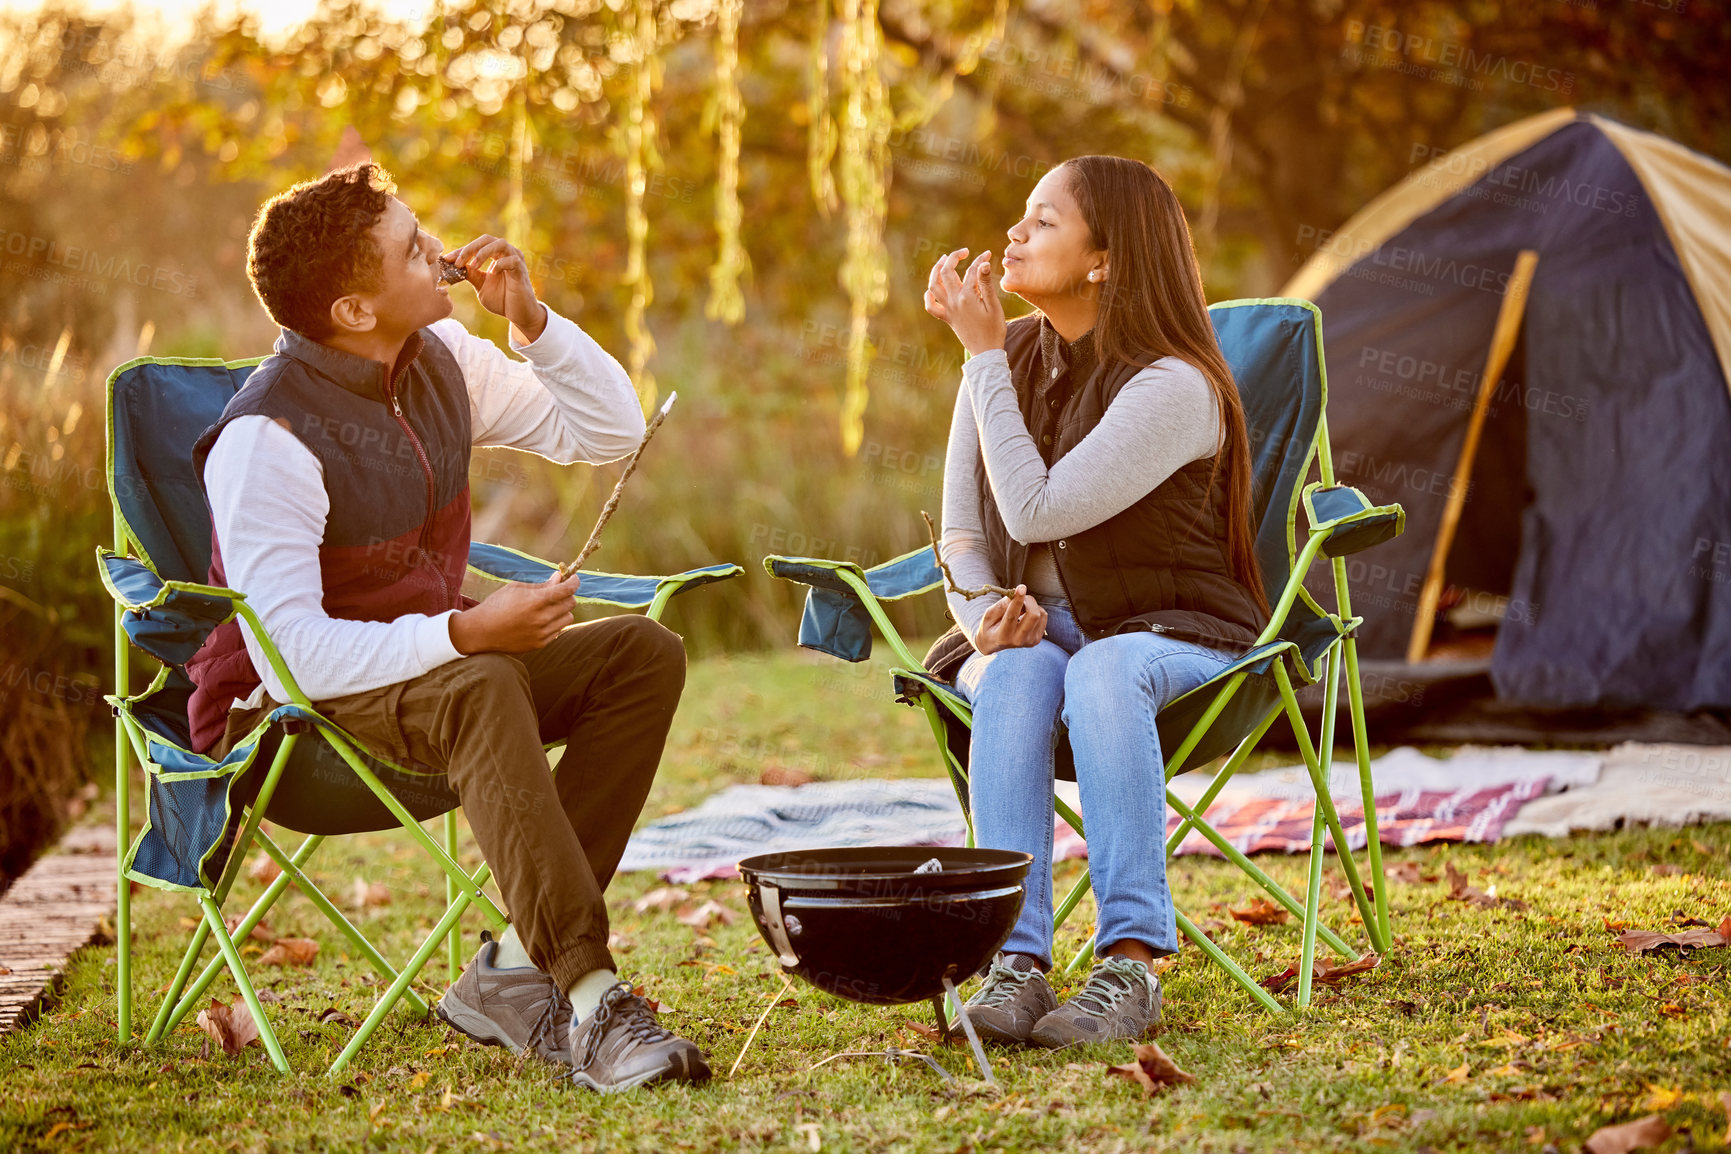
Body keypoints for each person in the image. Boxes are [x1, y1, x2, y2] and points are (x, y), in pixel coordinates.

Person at [186, 162, 709, 1092]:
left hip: (441, 681)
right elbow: (294, 655)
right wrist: (468, 636)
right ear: (353, 309)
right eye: (409, 248)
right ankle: (590, 1001)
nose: (441, 252)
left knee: (639, 652)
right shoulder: (264, 439)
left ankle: (510, 969)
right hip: (296, 721)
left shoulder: (443, 362)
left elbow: (613, 434)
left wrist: (533, 324)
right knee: (482, 679)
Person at [921, 155, 1271, 1048]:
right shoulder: (1003, 362)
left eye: (1041, 221)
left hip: (1176, 639)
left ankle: (1130, 963)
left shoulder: (1173, 385)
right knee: (1013, 673)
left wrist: (979, 358)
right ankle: (1015, 964)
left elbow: (1040, 507)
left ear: (1103, 259)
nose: (1012, 234)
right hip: (1045, 637)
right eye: (1020, 216)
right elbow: (961, 534)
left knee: (1105, 668)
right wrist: (983, 622)